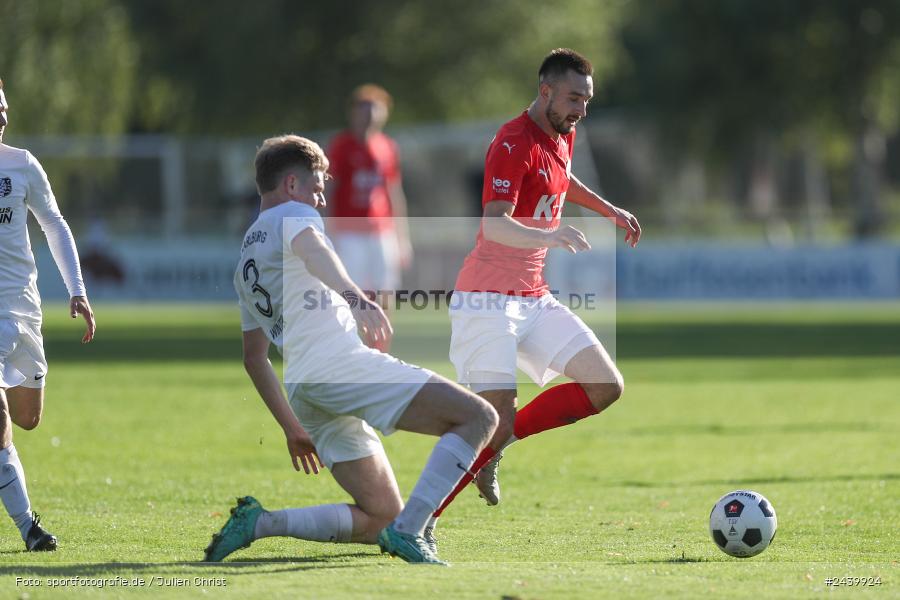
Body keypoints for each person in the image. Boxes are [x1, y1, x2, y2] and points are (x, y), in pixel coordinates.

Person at [204, 135, 497, 565]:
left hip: (304, 388)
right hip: (339, 366)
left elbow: (255, 359)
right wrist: (356, 299)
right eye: (318, 186)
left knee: (381, 516)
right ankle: (412, 533)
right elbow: (315, 249)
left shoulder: (243, 264)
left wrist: (291, 426)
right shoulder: (294, 214)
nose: (321, 200)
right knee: (479, 417)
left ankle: (260, 523)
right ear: (290, 184)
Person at [424, 49, 642, 550]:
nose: (580, 111)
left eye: (586, 100)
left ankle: (498, 444)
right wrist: (551, 235)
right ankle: (419, 520)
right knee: (489, 416)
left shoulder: (562, 132)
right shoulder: (511, 140)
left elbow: (562, 180)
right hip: (487, 299)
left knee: (604, 385)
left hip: (533, 296)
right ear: (545, 92)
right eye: (573, 99)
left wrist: (608, 209)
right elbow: (495, 223)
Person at [0, 77, 96, 551]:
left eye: (2, 106)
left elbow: (54, 224)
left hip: (22, 309)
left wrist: (77, 290)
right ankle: (29, 529)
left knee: (27, 419)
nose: (0, 115)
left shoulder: (22, 165)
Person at [326, 85, 412, 314]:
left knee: (386, 292)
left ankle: (380, 347)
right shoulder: (340, 146)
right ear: (353, 112)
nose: (370, 115)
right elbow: (329, 191)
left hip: (381, 231)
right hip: (349, 233)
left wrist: (402, 238)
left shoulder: (388, 146)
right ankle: (352, 346)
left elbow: (394, 192)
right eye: (364, 109)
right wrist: (330, 231)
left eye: (376, 109)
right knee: (350, 293)